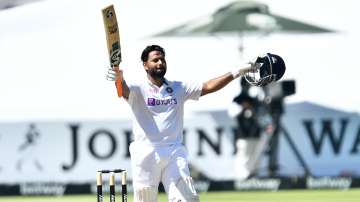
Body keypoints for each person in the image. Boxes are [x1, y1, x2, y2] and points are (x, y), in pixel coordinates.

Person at [106, 45, 259, 202]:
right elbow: (122, 89)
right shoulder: (138, 89)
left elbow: (208, 86)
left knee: (187, 199)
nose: (160, 63)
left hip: (174, 151)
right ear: (145, 64)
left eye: (162, 59)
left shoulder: (178, 88)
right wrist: (118, 78)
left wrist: (237, 72)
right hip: (146, 153)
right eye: (155, 60)